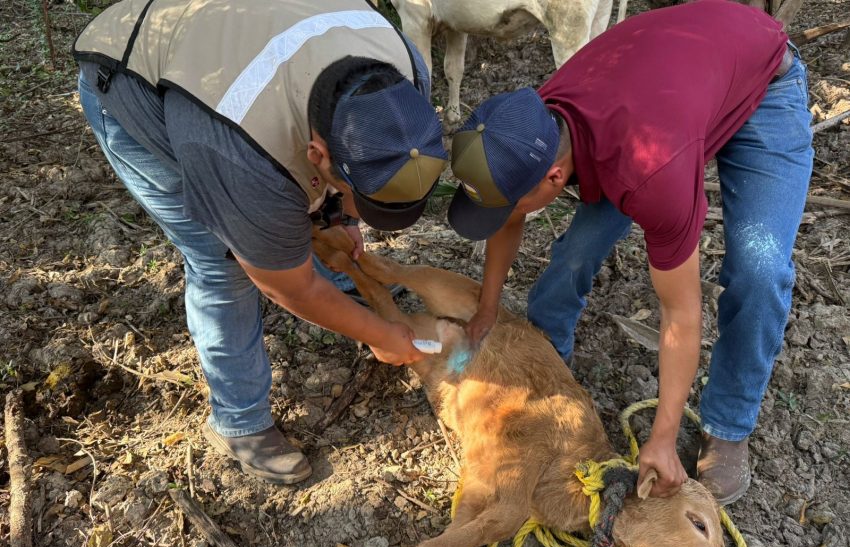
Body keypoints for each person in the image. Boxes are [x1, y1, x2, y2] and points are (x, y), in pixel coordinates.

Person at [447, 0, 813, 505]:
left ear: (555, 176)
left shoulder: (650, 172)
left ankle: (728, 423)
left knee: (759, 270)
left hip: (763, 84)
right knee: (577, 249)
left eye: (515, 202)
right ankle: (547, 355)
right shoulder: (531, 125)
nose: (507, 214)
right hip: (677, 93)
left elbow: (680, 312)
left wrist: (661, 438)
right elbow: (507, 214)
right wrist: (487, 310)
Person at [73, 0, 448, 484]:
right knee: (221, 262)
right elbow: (286, 288)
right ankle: (240, 420)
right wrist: (379, 336)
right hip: (133, 78)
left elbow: (340, 167)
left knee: (301, 215)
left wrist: (338, 213)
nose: (370, 219)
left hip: (246, 49)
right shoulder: (237, 153)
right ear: (319, 154)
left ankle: (338, 271)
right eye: (366, 202)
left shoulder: (406, 79)